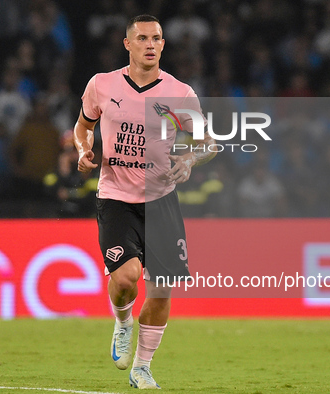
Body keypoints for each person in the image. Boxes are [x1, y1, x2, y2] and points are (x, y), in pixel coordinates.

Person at [74, 15, 215, 389]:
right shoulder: (102, 85)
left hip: (161, 200)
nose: (150, 44)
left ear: (163, 45)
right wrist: (83, 149)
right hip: (116, 197)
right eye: (142, 38)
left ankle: (142, 367)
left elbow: (208, 142)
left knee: (162, 288)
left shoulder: (180, 94)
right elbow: (83, 125)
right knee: (127, 279)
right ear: (127, 44)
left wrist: (189, 158)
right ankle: (122, 322)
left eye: (156, 38)